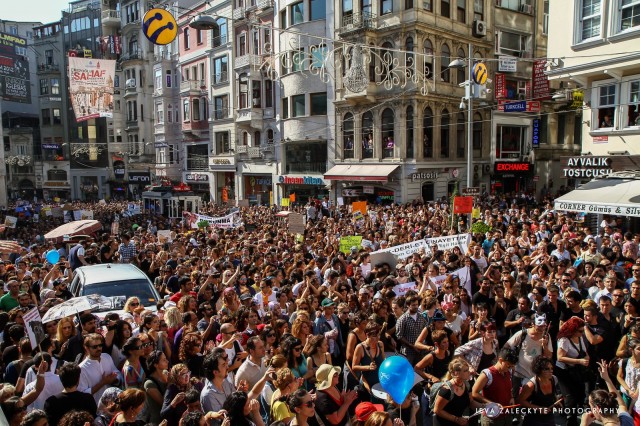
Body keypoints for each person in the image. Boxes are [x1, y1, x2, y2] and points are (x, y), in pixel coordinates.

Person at [556, 317, 590, 426]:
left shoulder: (580, 338)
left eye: (583, 330)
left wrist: (586, 357)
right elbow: (560, 357)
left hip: (575, 371)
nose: (582, 333)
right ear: (573, 329)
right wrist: (579, 361)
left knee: (579, 394)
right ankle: (571, 420)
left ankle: (561, 404)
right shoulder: (564, 340)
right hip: (564, 371)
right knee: (570, 397)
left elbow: (584, 351)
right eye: (580, 331)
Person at [471, 348, 519, 426]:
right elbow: (474, 393)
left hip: (507, 416)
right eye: (508, 365)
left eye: (512, 366)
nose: (510, 368)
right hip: (491, 418)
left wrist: (511, 397)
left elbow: (508, 388)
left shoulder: (508, 372)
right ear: (500, 360)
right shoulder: (487, 374)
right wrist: (492, 403)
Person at [432, 358, 483, 426]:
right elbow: (437, 410)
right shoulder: (446, 390)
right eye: (465, 370)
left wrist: (485, 407)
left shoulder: (467, 385)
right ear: (456, 373)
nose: (469, 372)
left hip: (458, 422)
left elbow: (471, 402)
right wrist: (456, 419)